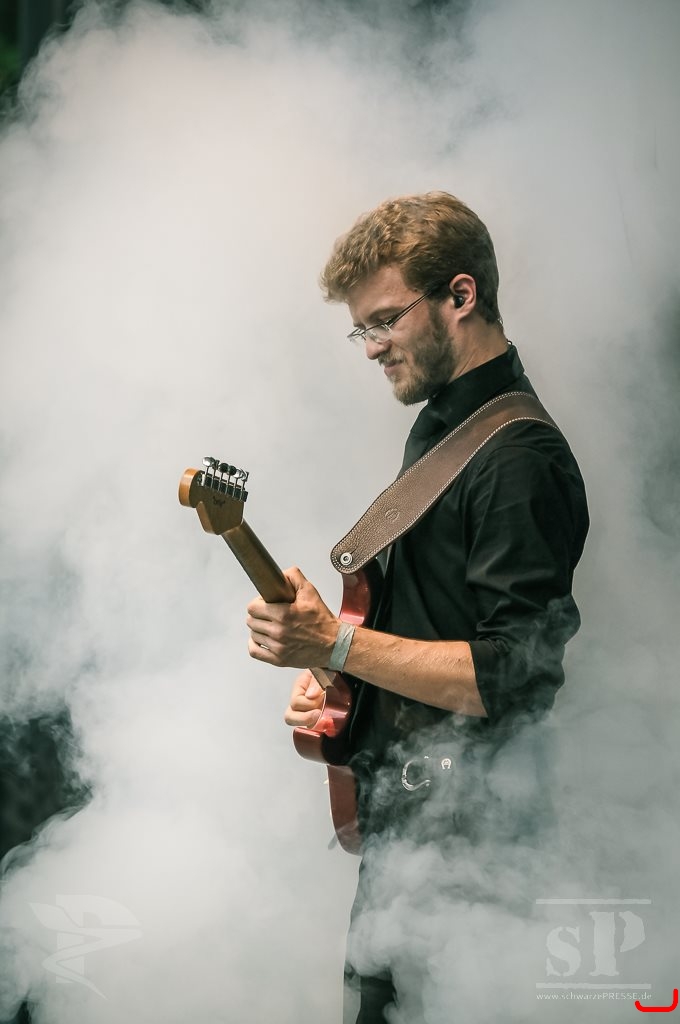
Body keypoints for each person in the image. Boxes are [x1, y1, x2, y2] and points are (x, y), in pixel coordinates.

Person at [245, 191, 589, 1022]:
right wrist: (341, 685)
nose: (370, 347)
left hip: (475, 852)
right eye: (360, 329)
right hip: (411, 830)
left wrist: (335, 647)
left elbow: (513, 678)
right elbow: (427, 625)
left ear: (460, 295)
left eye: (385, 321)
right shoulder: (444, 425)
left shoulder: (518, 458)